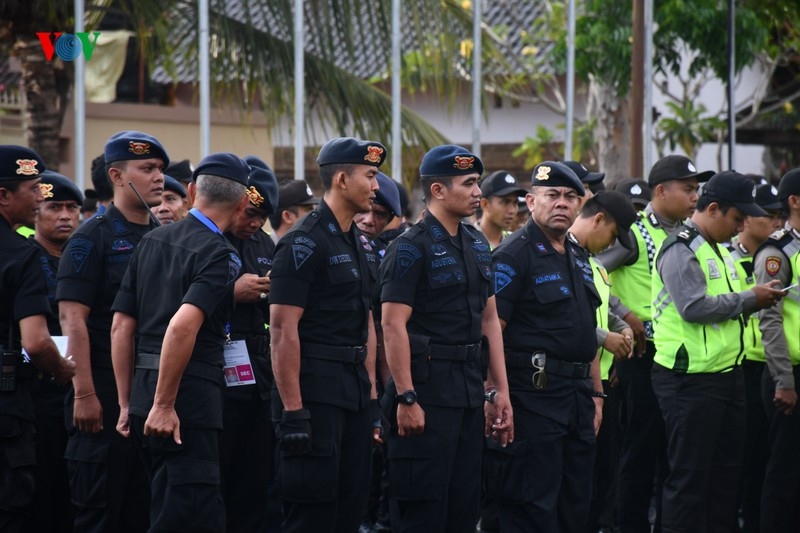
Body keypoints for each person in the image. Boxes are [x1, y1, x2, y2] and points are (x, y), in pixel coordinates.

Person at [110, 152, 250, 531]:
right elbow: (182, 327)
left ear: (190, 192)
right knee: (191, 514)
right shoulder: (220, 253)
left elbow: (122, 326)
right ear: (242, 203)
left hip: (143, 396)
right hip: (183, 404)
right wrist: (164, 404)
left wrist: (127, 404)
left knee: (164, 508)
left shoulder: (152, 240)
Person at [379, 145, 512, 532]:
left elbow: (489, 320)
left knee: (462, 509)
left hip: (468, 393)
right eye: (469, 184)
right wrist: (406, 396)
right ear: (437, 190)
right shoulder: (409, 246)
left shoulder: (475, 244)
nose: (477, 192)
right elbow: (392, 325)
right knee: (424, 513)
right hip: (426, 393)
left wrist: (498, 391)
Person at [650, 171, 784, 533]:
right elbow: (693, 307)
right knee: (690, 482)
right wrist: (750, 299)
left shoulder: (717, 249)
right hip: (689, 381)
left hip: (727, 376)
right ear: (713, 209)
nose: (741, 227)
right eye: (737, 219)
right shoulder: (681, 247)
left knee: (725, 480)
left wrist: (755, 296)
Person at [269, 137, 386, 533]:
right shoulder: (303, 241)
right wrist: (293, 411)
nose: (376, 186)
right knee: (312, 510)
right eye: (370, 176)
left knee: (350, 508)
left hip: (353, 391)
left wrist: (371, 399)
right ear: (341, 179)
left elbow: (367, 323)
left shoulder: (363, 243)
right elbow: (283, 331)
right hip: (314, 392)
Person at [57, 130, 169, 532]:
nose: (158, 177)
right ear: (117, 176)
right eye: (147, 168)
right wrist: (83, 393)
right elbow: (73, 320)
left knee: (144, 508)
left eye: (160, 169)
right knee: (101, 508)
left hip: (150, 387)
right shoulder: (92, 238)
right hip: (102, 386)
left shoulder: (165, 237)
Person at [596, 154, 712, 533]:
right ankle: (629, 524)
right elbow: (593, 274)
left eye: (698, 189)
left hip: (678, 357)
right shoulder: (635, 233)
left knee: (671, 452)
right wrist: (627, 315)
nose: (696, 197)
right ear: (660, 191)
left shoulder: (690, 233)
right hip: (643, 355)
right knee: (641, 448)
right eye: (688, 189)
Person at [485, 161, 601, 532]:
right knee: (532, 507)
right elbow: (491, 332)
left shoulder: (578, 254)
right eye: (552, 195)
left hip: (578, 399)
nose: (562, 204)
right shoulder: (514, 254)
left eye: (571, 196)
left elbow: (589, 330)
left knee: (575, 504)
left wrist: (597, 394)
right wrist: (496, 394)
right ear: (531, 202)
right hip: (533, 397)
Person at [0, 146, 75, 532]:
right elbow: (36, 343)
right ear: (3, 196)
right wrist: (64, 369)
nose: (38, 199)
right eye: (33, 190)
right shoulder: (21, 254)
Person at [568, 191, 637, 533]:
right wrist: (604, 337)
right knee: (577, 484)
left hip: (602, 381)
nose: (611, 244)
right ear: (598, 220)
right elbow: (561, 317)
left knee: (600, 476)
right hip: (573, 383)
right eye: (612, 234)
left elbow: (605, 306)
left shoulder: (593, 262)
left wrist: (622, 329)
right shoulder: (562, 255)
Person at [220, 164, 280, 532]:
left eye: (263, 217)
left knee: (257, 475)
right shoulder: (205, 238)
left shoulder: (265, 243)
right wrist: (232, 294)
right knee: (219, 474)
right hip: (214, 368)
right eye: (252, 213)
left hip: (258, 369)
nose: (256, 223)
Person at [27, 170, 83, 533]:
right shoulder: (26, 259)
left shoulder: (80, 260)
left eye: (72, 208)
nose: (65, 215)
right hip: (36, 393)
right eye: (54, 207)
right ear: (36, 212)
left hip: (78, 389)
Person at [727, 183, 783, 533]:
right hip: (742, 366)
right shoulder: (727, 258)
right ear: (746, 220)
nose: (776, 221)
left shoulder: (780, 257)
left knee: (768, 456)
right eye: (769, 215)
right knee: (742, 457)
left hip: (773, 364)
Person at [753, 168, 800, 532]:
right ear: (794, 202)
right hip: (790, 375)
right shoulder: (777, 252)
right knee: (784, 471)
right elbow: (770, 321)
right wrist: (783, 380)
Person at [476, 170, 527, 249]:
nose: (512, 211)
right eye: (505, 202)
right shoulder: (467, 240)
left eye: (515, 203)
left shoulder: (516, 243)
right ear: (485, 204)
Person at [268, 179, 319, 244]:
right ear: (287, 216)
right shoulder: (263, 251)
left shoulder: (313, 247)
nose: (315, 214)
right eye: (308, 209)